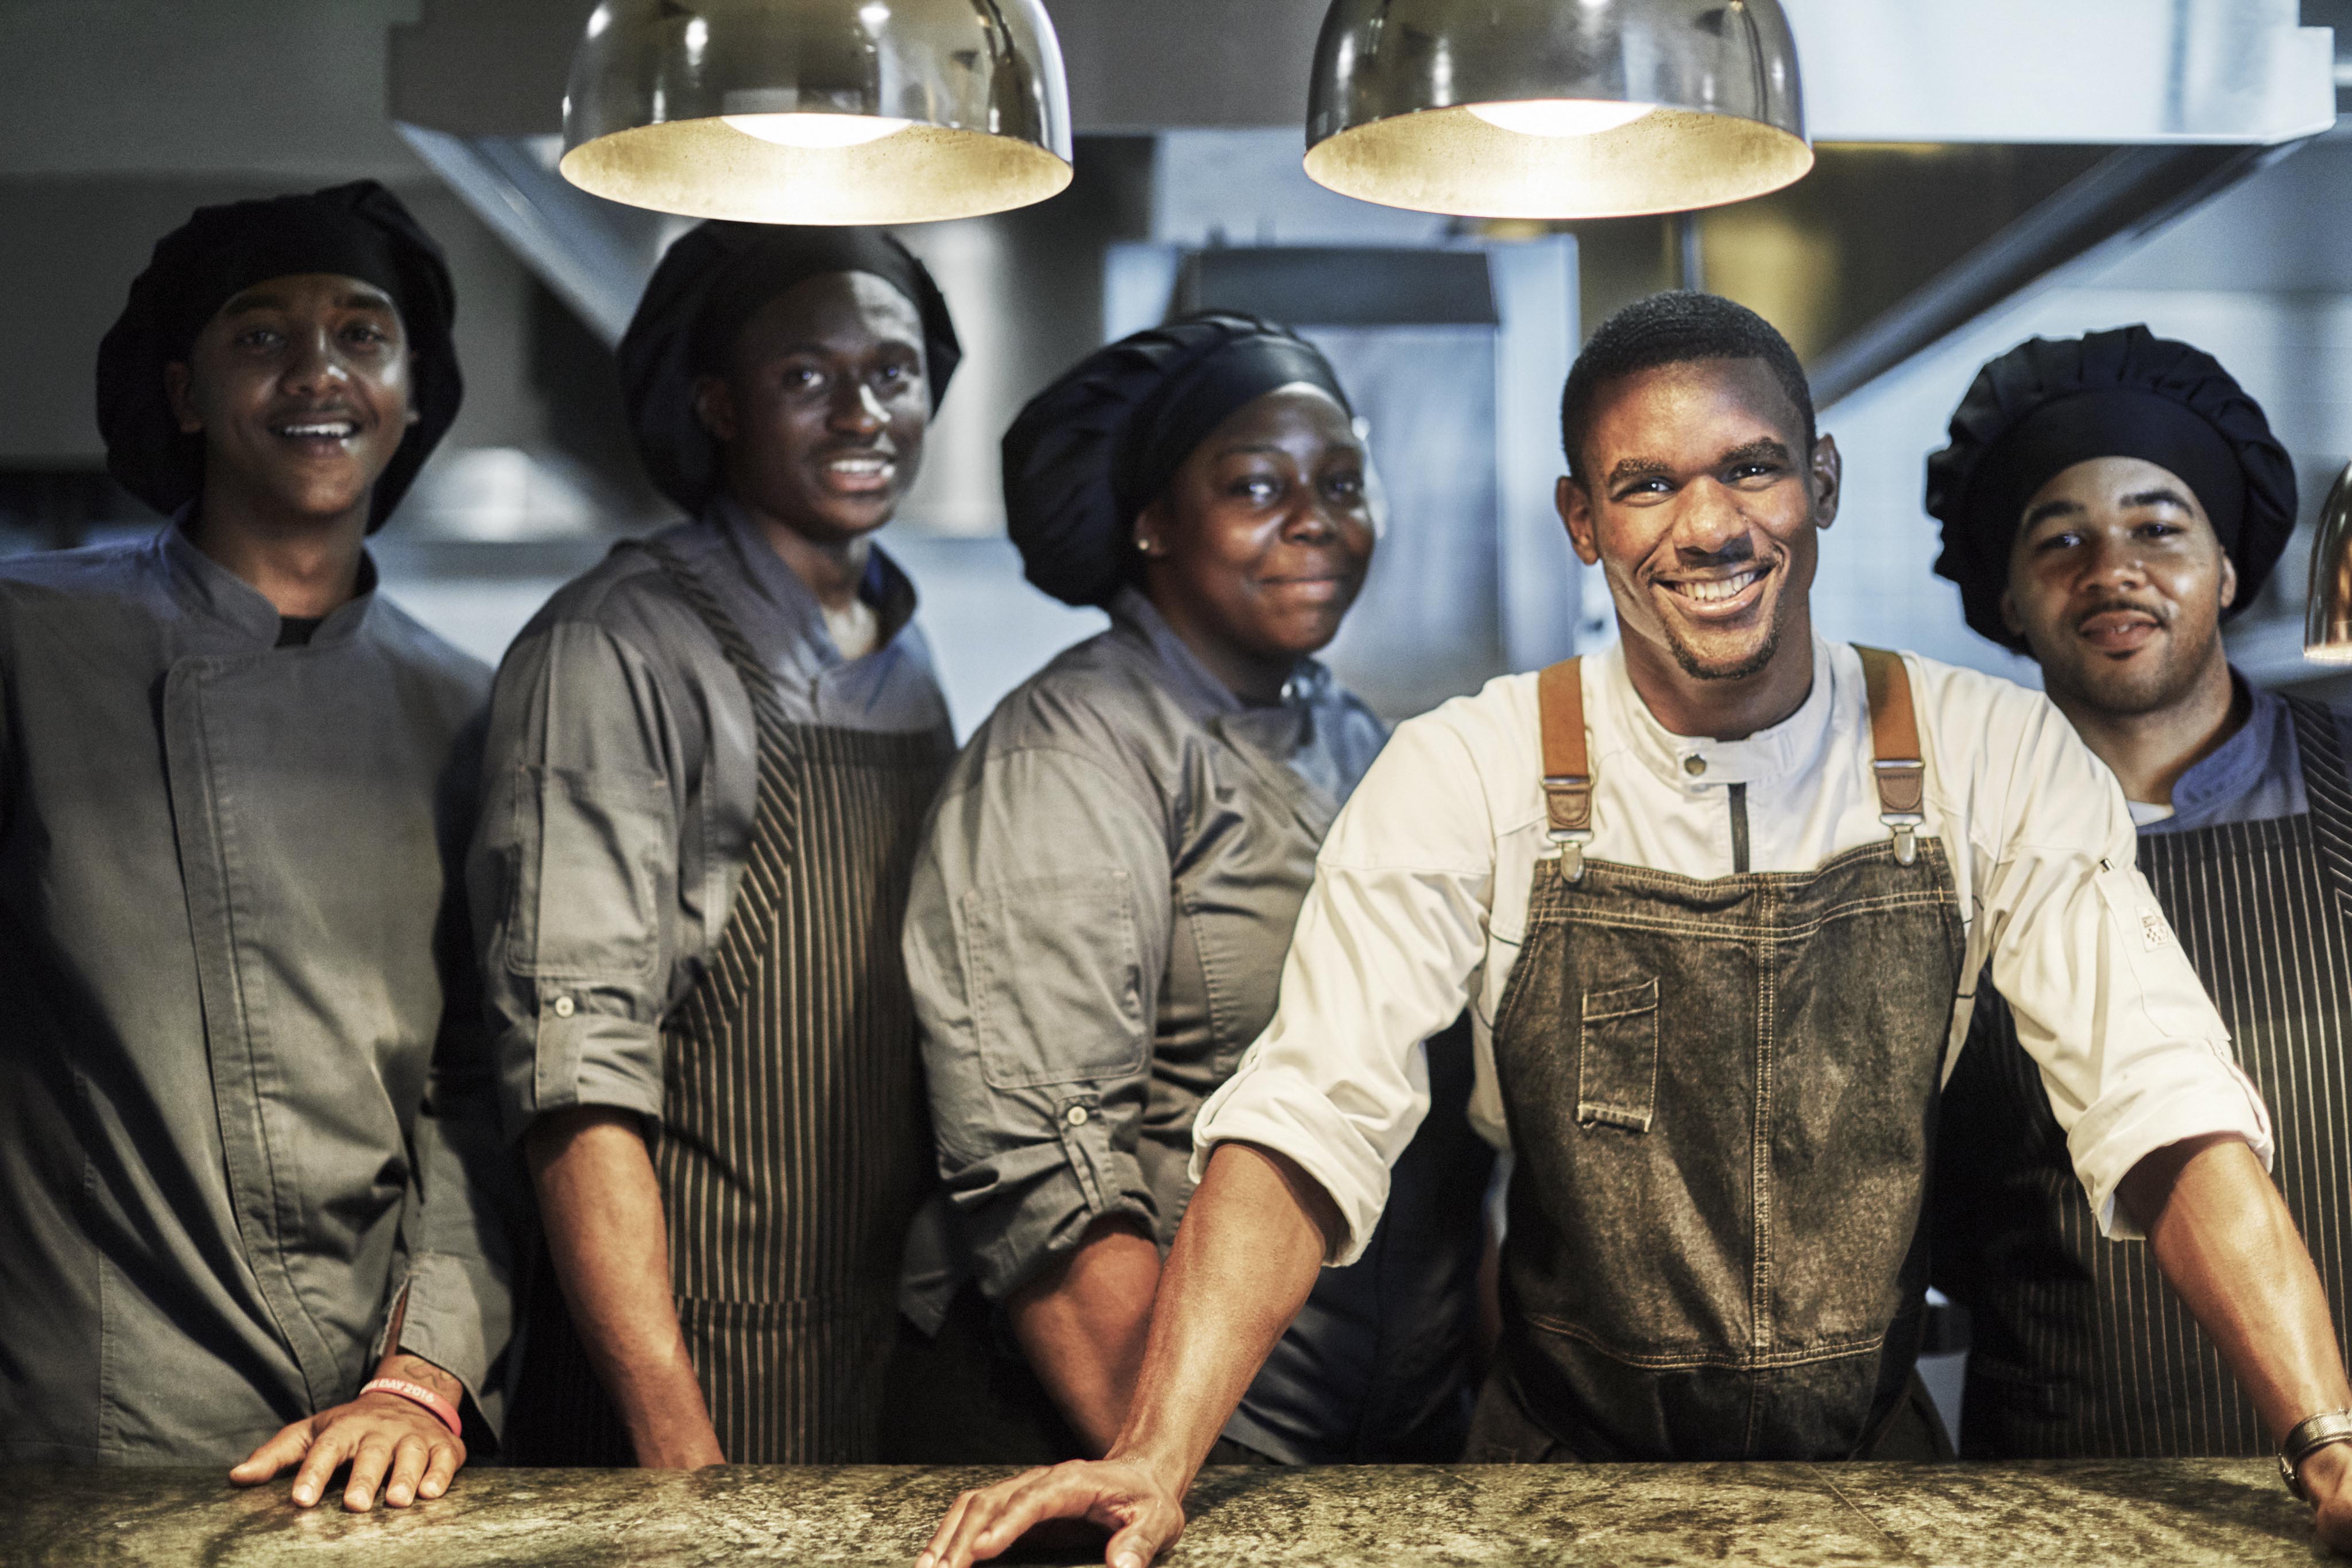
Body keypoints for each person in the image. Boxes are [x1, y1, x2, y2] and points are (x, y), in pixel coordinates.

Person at [917, 292, 2352, 1568]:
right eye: (1644, 484)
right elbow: (1304, 1117)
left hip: (1873, 1491)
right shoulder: (1462, 768)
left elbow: (2160, 1102)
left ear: (1820, 481)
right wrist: (1154, 1453)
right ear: (1580, 520)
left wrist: (2320, 1427)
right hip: (1549, 1484)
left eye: (1750, 466)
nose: (1708, 524)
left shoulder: (1992, 757)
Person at [893, 314, 1493, 1466]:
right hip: (1145, 1449)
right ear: (1152, 522)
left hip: (1366, 1455)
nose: (1313, 517)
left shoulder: (1353, 736)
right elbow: (1045, 1185)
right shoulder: (1070, 755)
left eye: (1341, 479)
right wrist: (1169, 1473)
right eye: (1256, 485)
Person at [0, 182, 516, 1513]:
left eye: (362, 334)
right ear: (183, 394)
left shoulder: (470, 711)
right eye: (259, 337)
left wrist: (422, 1372)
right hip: (82, 1407)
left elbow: (480, 1089)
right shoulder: (32, 643)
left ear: (411, 390)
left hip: (373, 1437)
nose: (318, 373)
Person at [473, 223, 960, 1466]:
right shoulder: (617, 648)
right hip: (682, 1378)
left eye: (892, 372)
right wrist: (685, 1468)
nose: (863, 412)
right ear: (717, 405)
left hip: (876, 1364)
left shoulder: (903, 655)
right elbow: (573, 1078)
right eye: (806, 377)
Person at [1925, 326, 2352, 1459]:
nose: (2109, 569)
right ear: (2008, 597)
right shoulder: (1943, 859)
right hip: (2069, 1483)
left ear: (2225, 567)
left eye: (2157, 529)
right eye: (2058, 539)